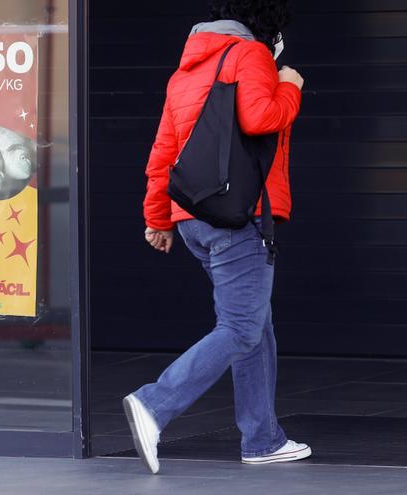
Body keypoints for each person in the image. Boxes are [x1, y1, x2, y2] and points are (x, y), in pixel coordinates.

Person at [122, 0, 308, 474]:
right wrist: (290, 87)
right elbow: (261, 118)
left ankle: (263, 440)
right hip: (239, 216)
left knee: (255, 326)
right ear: (266, 25)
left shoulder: (185, 69)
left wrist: (159, 218)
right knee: (242, 327)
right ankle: (154, 404)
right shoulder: (251, 56)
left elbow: (163, 152)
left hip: (194, 219)